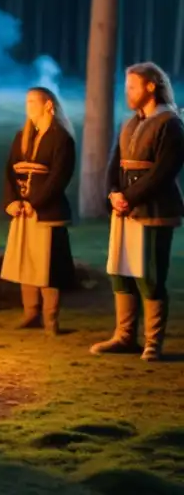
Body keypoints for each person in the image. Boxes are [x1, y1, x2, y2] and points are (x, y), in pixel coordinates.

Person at [92, 62, 183, 362]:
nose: (127, 92)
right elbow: (113, 164)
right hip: (125, 211)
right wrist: (113, 194)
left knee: (151, 276)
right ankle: (124, 336)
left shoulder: (170, 123)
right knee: (121, 272)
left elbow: (163, 172)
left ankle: (152, 342)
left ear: (150, 87)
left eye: (132, 86)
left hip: (154, 209)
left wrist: (129, 197)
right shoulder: (128, 123)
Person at [0, 88, 77, 335]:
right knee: (26, 261)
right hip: (22, 211)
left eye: (33, 101)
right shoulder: (22, 136)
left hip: (46, 211)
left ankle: (50, 319)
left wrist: (35, 202)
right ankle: (31, 313)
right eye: (27, 101)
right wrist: (12, 201)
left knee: (48, 266)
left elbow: (58, 178)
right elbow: (10, 172)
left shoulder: (62, 139)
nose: (28, 105)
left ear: (48, 105)